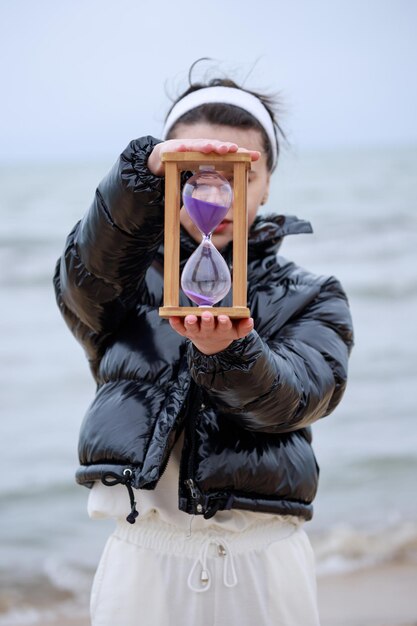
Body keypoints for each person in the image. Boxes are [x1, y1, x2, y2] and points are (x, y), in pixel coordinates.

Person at [53, 66, 353, 626]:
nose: (214, 190)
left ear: (264, 182)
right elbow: (82, 283)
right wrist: (137, 177)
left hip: (261, 559)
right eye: (195, 175)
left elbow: (300, 395)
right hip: (146, 556)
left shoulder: (313, 295)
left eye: (236, 175)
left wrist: (232, 356)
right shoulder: (130, 278)